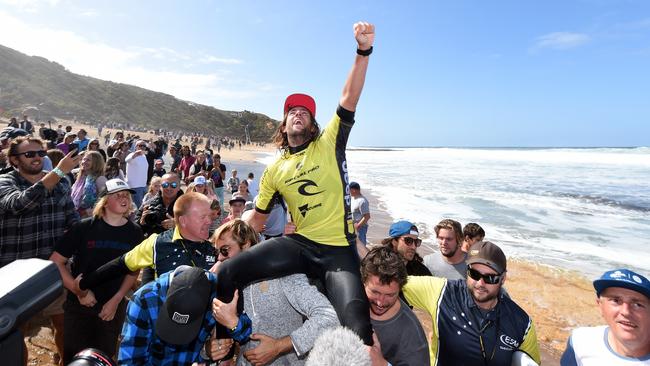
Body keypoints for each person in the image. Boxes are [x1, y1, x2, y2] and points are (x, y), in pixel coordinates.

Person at [216, 21, 376, 346]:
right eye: (292, 111)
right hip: (301, 245)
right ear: (284, 123)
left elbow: (349, 98)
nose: (299, 114)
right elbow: (257, 218)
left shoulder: (329, 143)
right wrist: (227, 228)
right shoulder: (276, 170)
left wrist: (363, 51)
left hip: (338, 252)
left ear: (314, 124)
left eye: (305, 111)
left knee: (358, 330)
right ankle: (224, 344)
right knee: (227, 272)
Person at [212, 219, 339, 365]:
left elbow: (328, 317)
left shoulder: (284, 274)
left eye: (225, 250)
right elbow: (219, 338)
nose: (220, 257)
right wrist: (209, 348)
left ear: (246, 245)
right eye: (217, 252)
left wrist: (279, 346)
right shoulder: (225, 282)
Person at [0, 136, 80, 364]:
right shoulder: (5, 182)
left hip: (53, 272)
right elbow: (19, 205)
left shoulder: (61, 184)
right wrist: (58, 172)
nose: (37, 158)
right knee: (15, 335)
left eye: (40, 153)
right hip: (15, 277)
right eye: (30, 154)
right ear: (14, 159)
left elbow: (72, 221)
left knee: (64, 328)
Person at [49, 178, 143, 363]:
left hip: (111, 307)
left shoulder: (135, 232)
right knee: (73, 358)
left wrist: (116, 300)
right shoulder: (84, 227)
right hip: (78, 305)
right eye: (118, 195)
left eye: (127, 195)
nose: (124, 198)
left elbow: (133, 270)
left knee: (103, 358)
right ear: (105, 201)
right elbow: (56, 262)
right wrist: (79, 292)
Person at [403, 241, 541, 365]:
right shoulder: (442, 293)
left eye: (490, 278)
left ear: (503, 278)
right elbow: (391, 282)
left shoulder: (522, 323)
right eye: (474, 274)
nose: (480, 283)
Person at [77, 192, 217, 292]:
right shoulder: (157, 243)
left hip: (207, 327)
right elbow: (119, 265)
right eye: (203, 217)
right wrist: (83, 284)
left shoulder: (217, 244)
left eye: (209, 216)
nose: (209, 221)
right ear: (183, 221)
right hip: (165, 326)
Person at [119, 266, 240, 365]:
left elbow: (248, 331)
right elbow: (130, 360)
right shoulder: (144, 300)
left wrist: (232, 324)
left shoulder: (222, 294)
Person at [561, 269, 650, 365]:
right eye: (616, 300)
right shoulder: (580, 342)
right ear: (600, 306)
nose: (626, 312)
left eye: (637, 304)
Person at [361, 246, 430, 366]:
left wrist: (382, 364)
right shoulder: (346, 300)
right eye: (375, 292)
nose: (380, 302)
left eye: (390, 295)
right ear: (363, 282)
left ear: (400, 290)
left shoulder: (412, 335)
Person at [71, 151, 107, 218]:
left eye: (88, 160)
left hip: (90, 218)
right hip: (76, 216)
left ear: (96, 163)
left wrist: (87, 212)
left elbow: (106, 201)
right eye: (83, 159)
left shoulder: (100, 179)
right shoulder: (80, 178)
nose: (84, 162)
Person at [125, 140, 149, 207]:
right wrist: (135, 154)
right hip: (135, 186)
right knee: (138, 208)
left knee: (143, 207)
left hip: (143, 185)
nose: (142, 147)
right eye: (140, 145)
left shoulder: (144, 156)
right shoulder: (132, 155)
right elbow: (126, 160)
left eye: (144, 146)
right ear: (136, 147)